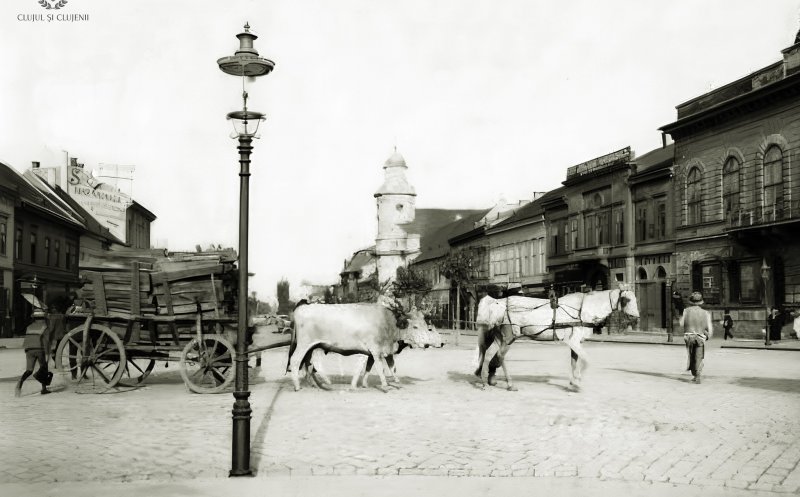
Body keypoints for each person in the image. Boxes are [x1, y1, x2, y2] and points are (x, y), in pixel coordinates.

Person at [15, 296, 54, 396]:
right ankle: (44, 389)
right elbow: (46, 341)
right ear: (44, 317)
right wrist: (48, 353)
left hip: (28, 349)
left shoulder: (29, 326)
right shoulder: (45, 326)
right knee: (43, 368)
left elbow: (27, 339)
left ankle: (19, 384)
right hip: (39, 349)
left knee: (29, 370)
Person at [679, 291, 713, 384]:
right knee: (698, 356)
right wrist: (707, 336)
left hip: (689, 336)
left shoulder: (686, 311)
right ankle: (697, 374)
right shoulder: (706, 313)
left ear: (691, 301)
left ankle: (694, 373)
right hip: (700, 337)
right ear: (701, 302)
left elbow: (681, 323)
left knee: (691, 355)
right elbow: (709, 329)